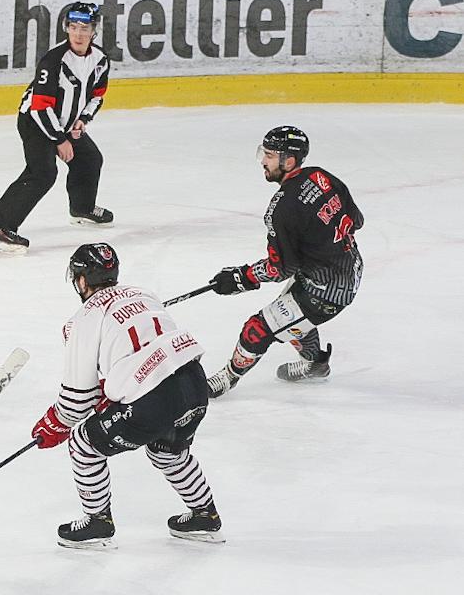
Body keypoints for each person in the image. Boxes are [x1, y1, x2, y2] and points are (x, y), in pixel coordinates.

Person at [30, 243, 224, 549]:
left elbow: (78, 398)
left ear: (81, 281)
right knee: (166, 451)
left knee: (83, 443)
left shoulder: (85, 317)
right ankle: (205, 516)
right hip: (195, 384)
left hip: (154, 398)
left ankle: (97, 524)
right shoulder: (143, 294)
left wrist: (54, 424)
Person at [205, 126, 364, 398]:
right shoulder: (321, 176)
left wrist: (241, 277)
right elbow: (357, 221)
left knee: (257, 329)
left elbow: (281, 268)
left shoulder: (283, 208)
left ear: (288, 161)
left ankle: (228, 377)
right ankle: (315, 364)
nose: (263, 162)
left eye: (268, 155)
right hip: (346, 269)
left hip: (325, 291)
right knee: (291, 319)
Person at [0, 1, 112, 254]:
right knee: (42, 173)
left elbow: (97, 96)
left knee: (89, 159)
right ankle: (0, 228)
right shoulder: (54, 60)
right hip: (35, 122)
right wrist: (59, 139)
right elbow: (40, 107)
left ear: (93, 30)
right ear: (66, 28)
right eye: (73, 27)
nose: (78, 33)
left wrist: (82, 120)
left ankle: (82, 209)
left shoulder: (100, 60)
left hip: (64, 124)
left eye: (84, 28)